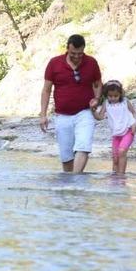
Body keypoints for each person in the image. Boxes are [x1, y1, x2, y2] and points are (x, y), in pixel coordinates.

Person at [40, 34, 102, 173]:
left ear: (84, 49)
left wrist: (97, 99)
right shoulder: (54, 63)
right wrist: (43, 115)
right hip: (62, 115)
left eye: (80, 53)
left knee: (83, 146)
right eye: (73, 53)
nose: (77, 56)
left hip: (85, 112)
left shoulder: (91, 62)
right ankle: (70, 184)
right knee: (66, 155)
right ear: (67, 48)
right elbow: (46, 90)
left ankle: (75, 179)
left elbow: (98, 84)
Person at [92, 80, 136, 175]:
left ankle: (121, 176)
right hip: (116, 134)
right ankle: (114, 179)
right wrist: (92, 110)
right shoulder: (106, 104)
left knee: (122, 151)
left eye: (116, 96)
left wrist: (135, 124)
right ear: (106, 95)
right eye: (110, 96)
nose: (113, 98)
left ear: (120, 94)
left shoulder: (125, 102)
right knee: (115, 158)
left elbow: (133, 112)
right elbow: (100, 117)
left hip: (128, 131)